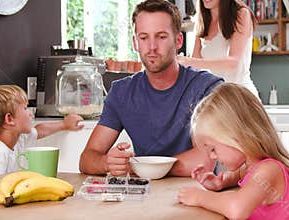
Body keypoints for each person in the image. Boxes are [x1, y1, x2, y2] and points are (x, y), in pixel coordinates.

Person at [79, 0, 223, 177]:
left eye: (161, 37)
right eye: (144, 37)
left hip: (197, 193)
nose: (152, 47)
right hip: (144, 195)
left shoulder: (208, 88)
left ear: (178, 41)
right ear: (135, 42)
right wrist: (107, 163)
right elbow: (87, 158)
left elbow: (205, 160)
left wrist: (136, 168)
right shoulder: (122, 92)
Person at [178, 83, 289, 219]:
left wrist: (200, 197)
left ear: (238, 137)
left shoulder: (269, 170)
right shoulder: (252, 167)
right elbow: (237, 176)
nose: (211, 157)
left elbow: (237, 209)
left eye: (213, 149)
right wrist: (220, 182)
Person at [0, 85, 84, 178]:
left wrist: (64, 125)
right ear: (9, 119)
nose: (31, 113)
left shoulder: (18, 139)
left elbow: (40, 131)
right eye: (25, 108)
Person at [177, 0, 259, 97]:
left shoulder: (241, 14)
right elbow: (196, 66)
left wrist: (187, 61)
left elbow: (233, 63)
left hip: (240, 96)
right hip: (215, 97)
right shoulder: (201, 20)